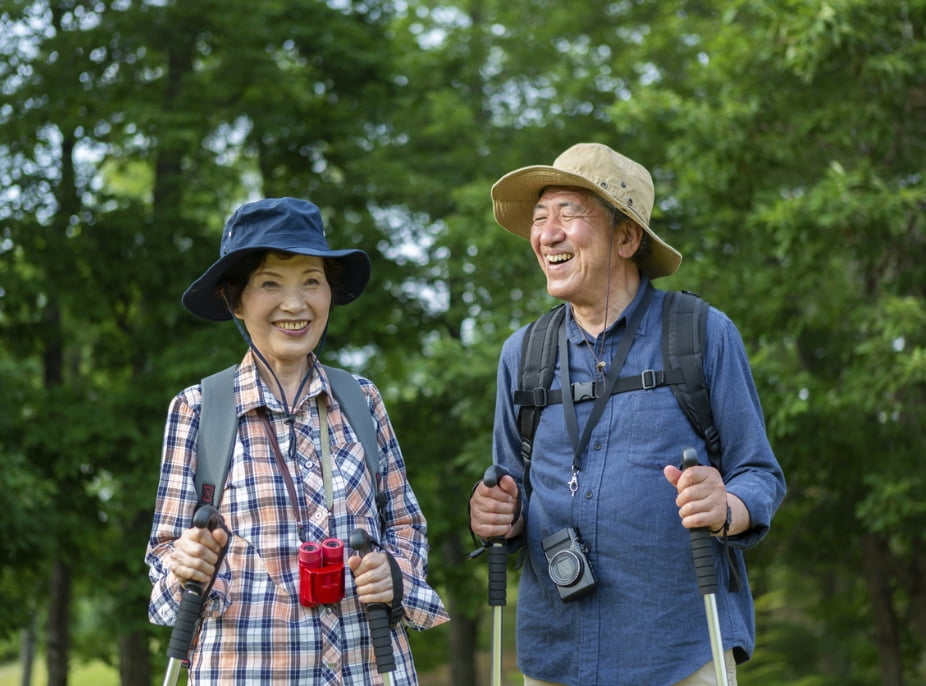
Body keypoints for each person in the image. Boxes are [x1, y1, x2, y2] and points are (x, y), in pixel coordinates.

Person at [469, 143, 786, 686]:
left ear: (626, 237)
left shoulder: (701, 334)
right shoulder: (523, 355)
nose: (547, 234)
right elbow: (510, 487)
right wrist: (499, 515)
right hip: (556, 656)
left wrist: (725, 504)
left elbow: (760, 475)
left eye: (569, 213)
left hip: (682, 651)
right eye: (540, 218)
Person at [146, 197, 448, 684]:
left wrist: (393, 573)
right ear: (235, 300)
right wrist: (183, 564)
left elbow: (407, 526)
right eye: (270, 283)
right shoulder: (198, 410)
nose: (295, 304)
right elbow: (164, 562)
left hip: (370, 669)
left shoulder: (362, 400)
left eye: (312, 281)